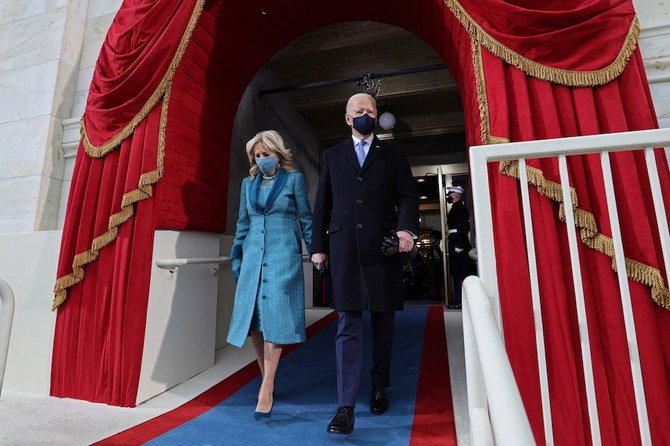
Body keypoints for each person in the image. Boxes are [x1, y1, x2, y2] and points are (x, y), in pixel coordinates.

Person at [311, 93, 419, 435]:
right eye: (358, 111)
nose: (364, 115)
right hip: (343, 249)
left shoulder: (393, 155)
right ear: (347, 119)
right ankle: (345, 406)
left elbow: (408, 196)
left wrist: (406, 229)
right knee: (348, 323)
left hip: (383, 248)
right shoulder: (332, 156)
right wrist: (318, 247)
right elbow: (322, 205)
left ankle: (378, 385)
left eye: (369, 111)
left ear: (377, 116)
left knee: (384, 322)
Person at [227, 130, 313, 420]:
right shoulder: (247, 184)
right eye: (258, 155)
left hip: (282, 256)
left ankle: (266, 387)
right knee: (255, 321)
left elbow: (306, 219)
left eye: (267, 154)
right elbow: (242, 223)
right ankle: (269, 380)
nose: (262, 159)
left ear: (279, 153)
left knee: (274, 317)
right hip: (253, 257)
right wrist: (236, 257)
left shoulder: (294, 180)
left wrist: (315, 252)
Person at [446, 185, 476, 309]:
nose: (449, 195)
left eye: (451, 193)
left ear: (457, 195)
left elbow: (464, 228)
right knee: (458, 274)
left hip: (459, 244)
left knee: (462, 274)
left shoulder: (461, 208)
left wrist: (459, 245)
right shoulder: (455, 208)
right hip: (456, 242)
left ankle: (461, 302)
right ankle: (458, 301)